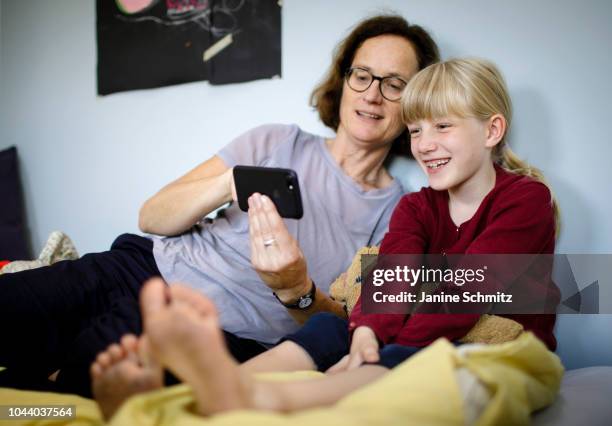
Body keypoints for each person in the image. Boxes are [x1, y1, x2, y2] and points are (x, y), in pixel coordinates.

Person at [90, 57, 561, 419]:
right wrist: (366, 333)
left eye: (442, 127)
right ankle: (201, 392)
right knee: (335, 327)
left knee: (418, 359)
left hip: (492, 340)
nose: (424, 144)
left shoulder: (526, 199)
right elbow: (392, 277)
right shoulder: (417, 206)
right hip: (417, 324)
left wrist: (375, 354)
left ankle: (250, 397)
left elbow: (465, 290)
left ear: (491, 130)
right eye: (415, 130)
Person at [0, 15, 440, 397]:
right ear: (344, 81)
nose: (372, 94)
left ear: (414, 102)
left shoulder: (399, 212)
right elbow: (152, 215)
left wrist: (296, 289)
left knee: (67, 395)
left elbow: (352, 326)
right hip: (140, 269)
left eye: (395, 84)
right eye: (362, 75)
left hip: (216, 333)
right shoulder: (276, 139)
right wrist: (228, 184)